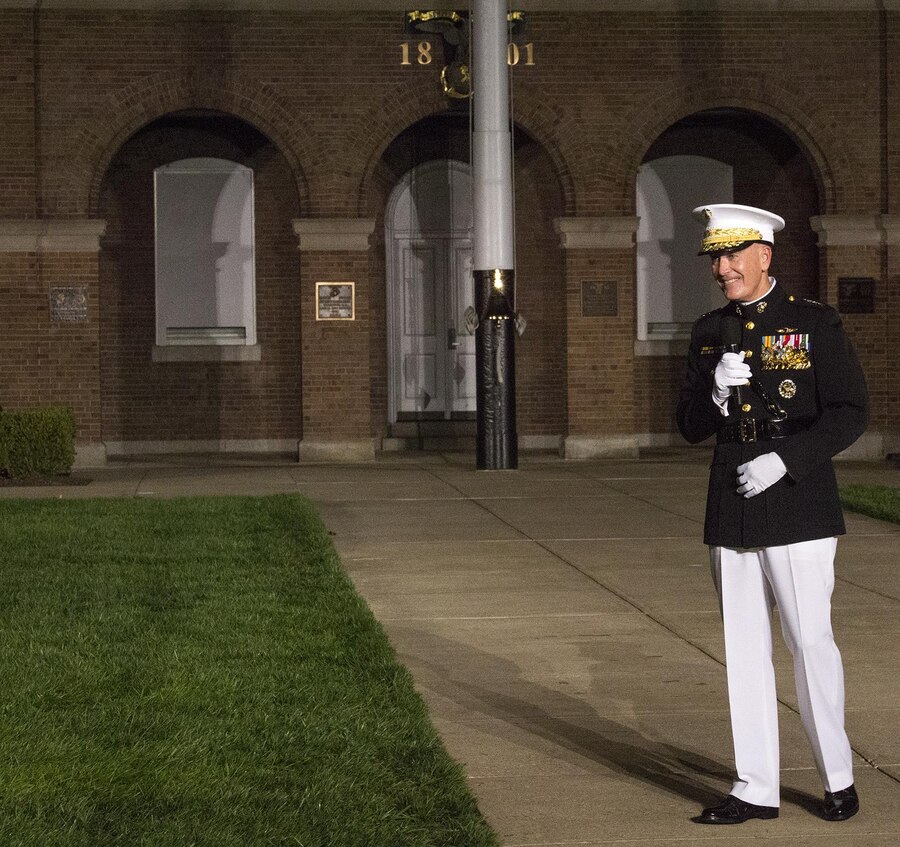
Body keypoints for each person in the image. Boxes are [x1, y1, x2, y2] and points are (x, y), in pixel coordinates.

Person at [676, 203, 869, 825]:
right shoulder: (709, 332)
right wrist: (713, 390)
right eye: (715, 257)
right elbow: (686, 426)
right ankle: (755, 785)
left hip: (798, 497)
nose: (722, 267)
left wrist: (784, 461)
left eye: (733, 255)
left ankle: (837, 777)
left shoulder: (812, 323)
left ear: (765, 255)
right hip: (731, 498)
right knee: (744, 648)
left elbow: (849, 412)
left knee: (809, 642)